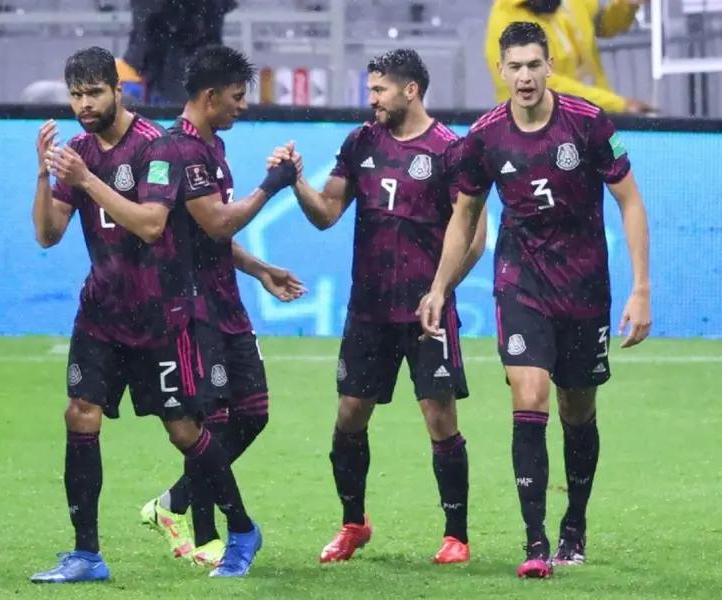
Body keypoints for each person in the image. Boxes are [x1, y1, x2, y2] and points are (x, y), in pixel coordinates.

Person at [29, 46, 279, 583]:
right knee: (80, 415)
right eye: (75, 94)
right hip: (100, 312)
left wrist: (87, 180)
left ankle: (240, 530)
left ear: (118, 90)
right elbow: (49, 235)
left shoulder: (156, 148)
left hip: (159, 317)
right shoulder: (77, 150)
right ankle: (86, 554)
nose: (84, 104)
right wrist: (44, 176)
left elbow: (149, 224)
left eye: (94, 92)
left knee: (185, 429)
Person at [417, 21, 652, 578]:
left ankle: (575, 524)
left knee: (578, 408)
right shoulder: (484, 137)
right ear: (501, 70)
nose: (524, 76)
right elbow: (465, 216)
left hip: (585, 286)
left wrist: (641, 289)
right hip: (521, 282)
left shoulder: (589, 124)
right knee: (530, 391)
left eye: (533, 64)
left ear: (549, 67)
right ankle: (535, 543)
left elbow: (631, 203)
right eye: (514, 66)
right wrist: (438, 286)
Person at [269, 48, 487, 566]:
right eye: (370, 90)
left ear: (410, 90)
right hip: (368, 310)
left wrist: (440, 290)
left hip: (425, 313)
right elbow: (325, 214)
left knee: (440, 419)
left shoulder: (450, 151)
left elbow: (474, 240)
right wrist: (296, 180)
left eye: (380, 90)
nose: (372, 100)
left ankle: (456, 535)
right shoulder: (361, 141)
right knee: (349, 415)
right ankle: (353, 524)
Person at [140, 44, 302, 568]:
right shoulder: (175, 151)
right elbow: (217, 221)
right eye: (236, 98)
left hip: (225, 303)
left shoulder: (212, 148)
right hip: (190, 311)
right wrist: (272, 185)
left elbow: (213, 237)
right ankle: (229, 535)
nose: (243, 107)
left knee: (253, 415)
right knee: (208, 423)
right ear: (209, 98)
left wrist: (260, 269)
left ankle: (175, 504)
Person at [484, 0, 655, 114]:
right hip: (539, 132)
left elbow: (602, 25)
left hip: (591, 120)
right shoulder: (505, 19)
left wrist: (627, 4)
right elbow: (543, 85)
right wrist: (618, 105)